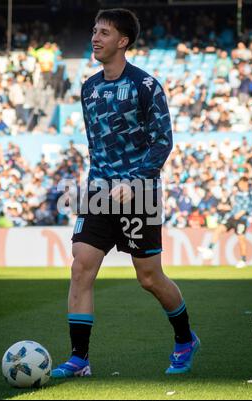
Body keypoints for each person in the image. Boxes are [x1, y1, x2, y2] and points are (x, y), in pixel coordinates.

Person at [52, 8, 200, 379]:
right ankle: (79, 359)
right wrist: (101, 183)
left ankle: (184, 339)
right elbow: (96, 145)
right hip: (99, 190)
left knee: (148, 277)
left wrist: (134, 181)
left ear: (123, 41)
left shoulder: (145, 85)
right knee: (81, 266)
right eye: (93, 31)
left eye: (104, 32)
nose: (95, 38)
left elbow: (162, 143)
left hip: (140, 194)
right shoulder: (88, 87)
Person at [198, 177, 252, 268]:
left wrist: (243, 212)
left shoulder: (251, 194)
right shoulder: (237, 194)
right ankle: (210, 249)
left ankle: (243, 259)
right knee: (219, 229)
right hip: (232, 217)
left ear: (245, 183)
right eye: (239, 184)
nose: (240, 186)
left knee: (241, 239)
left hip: (242, 220)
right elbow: (233, 206)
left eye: (241, 183)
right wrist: (225, 207)